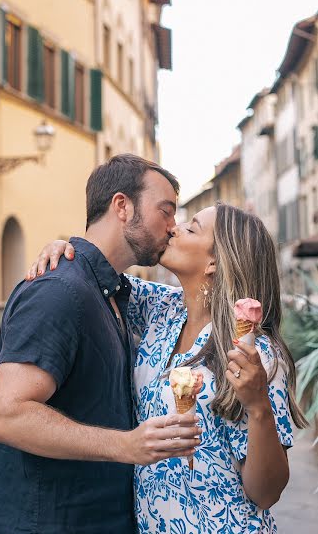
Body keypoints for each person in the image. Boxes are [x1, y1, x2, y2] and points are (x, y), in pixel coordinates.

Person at [29, 202, 307, 533]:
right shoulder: (159, 308)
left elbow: (266, 493)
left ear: (215, 262)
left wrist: (259, 405)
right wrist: (67, 251)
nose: (174, 228)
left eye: (191, 228)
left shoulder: (255, 352)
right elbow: (95, 271)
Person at [0, 154, 203, 534]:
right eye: (165, 211)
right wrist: (125, 446)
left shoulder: (114, 293)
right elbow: (7, 415)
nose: (172, 227)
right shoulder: (59, 290)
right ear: (122, 205)